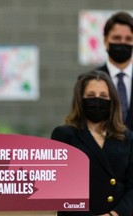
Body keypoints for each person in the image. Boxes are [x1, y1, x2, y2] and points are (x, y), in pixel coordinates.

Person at [51, 70, 133, 216]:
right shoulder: (63, 135)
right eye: (90, 96)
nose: (97, 101)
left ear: (112, 100)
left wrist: (114, 214)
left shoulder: (126, 137)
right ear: (80, 99)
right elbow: (62, 189)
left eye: (103, 96)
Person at [97, 11, 133, 130]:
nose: (122, 43)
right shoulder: (88, 80)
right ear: (106, 41)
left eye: (128, 38)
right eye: (117, 38)